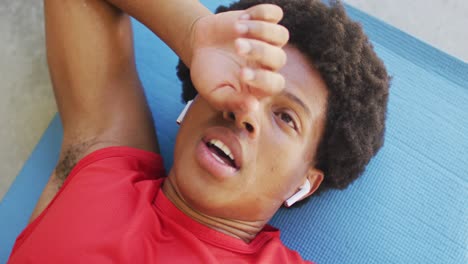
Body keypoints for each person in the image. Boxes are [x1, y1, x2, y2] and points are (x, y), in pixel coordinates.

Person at [8, 0, 389, 263]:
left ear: (305, 183)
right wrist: (192, 34)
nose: (246, 112)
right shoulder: (102, 162)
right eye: (242, 82)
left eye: (286, 117)